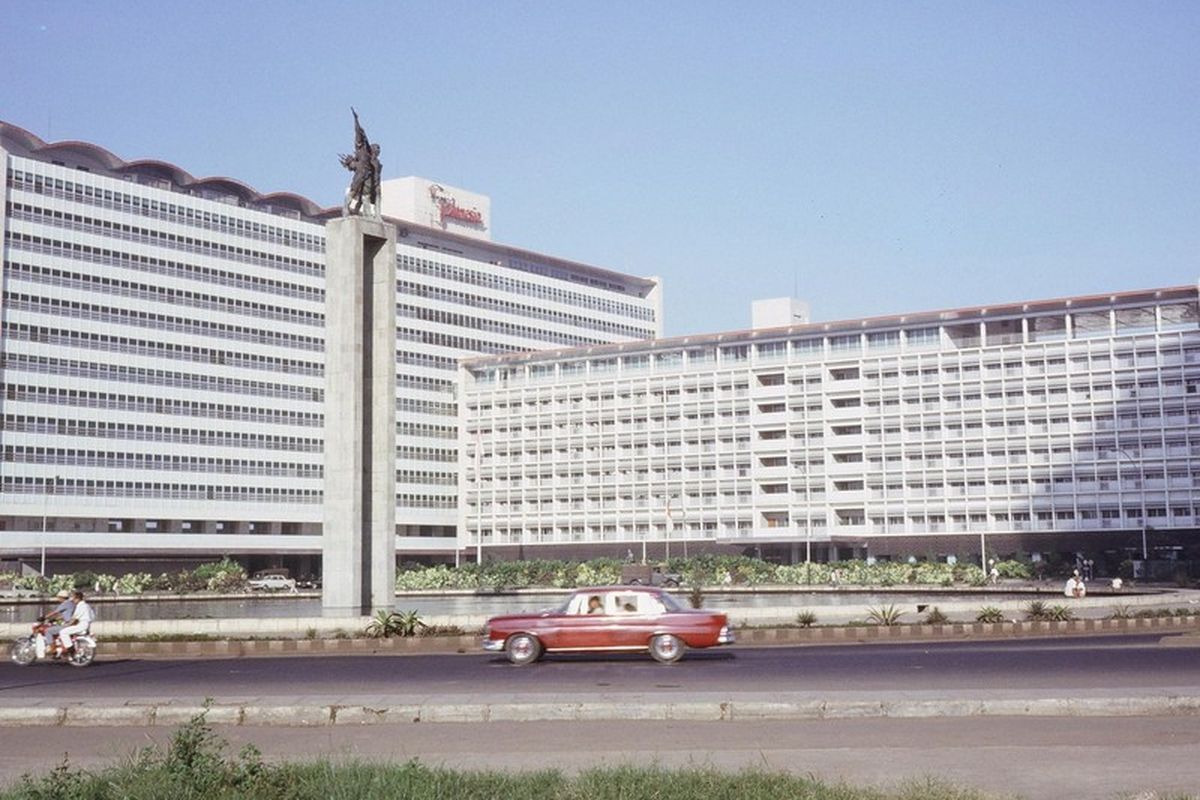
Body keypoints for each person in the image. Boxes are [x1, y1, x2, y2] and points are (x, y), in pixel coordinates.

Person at [57, 590, 94, 655]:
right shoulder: (87, 605)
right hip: (86, 625)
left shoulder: (80, 606)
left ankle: (70, 649)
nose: (73, 600)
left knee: (63, 632)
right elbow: (92, 616)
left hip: (81, 625)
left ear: (78, 598)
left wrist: (67, 625)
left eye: (74, 599)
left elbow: (74, 619)